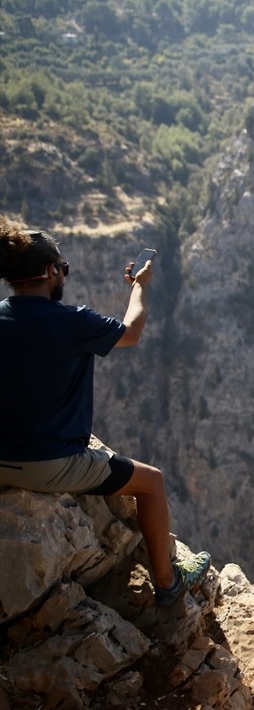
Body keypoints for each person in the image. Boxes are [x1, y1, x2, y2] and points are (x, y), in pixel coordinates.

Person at [0, 219, 211, 606]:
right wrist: (139, 288)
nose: (64, 275)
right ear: (50, 272)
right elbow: (131, 331)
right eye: (63, 268)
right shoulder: (69, 321)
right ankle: (168, 582)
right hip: (47, 462)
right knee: (152, 482)